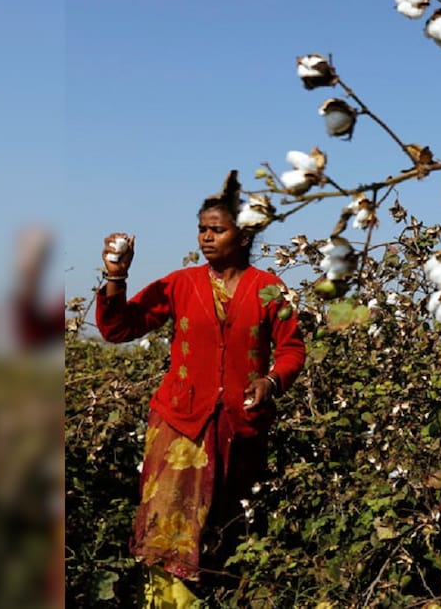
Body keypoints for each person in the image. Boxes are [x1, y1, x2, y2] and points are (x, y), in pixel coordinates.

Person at [95, 171, 305, 606]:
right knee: (166, 523)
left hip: (240, 427)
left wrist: (271, 380)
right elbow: (119, 327)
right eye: (202, 230)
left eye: (217, 230)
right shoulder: (180, 284)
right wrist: (116, 276)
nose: (207, 238)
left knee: (225, 529)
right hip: (179, 422)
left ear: (244, 236)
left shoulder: (270, 290)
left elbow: (292, 350)